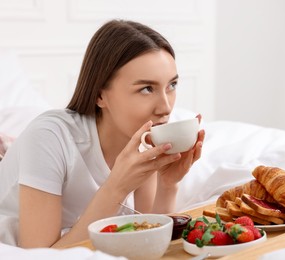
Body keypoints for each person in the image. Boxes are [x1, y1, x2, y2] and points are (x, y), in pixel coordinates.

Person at [0, 19, 205, 248]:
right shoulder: (48, 138)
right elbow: (39, 256)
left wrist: (169, 184)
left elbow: (150, 237)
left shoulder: (143, 139)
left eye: (172, 85)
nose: (166, 107)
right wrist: (116, 187)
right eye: (147, 89)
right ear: (100, 96)